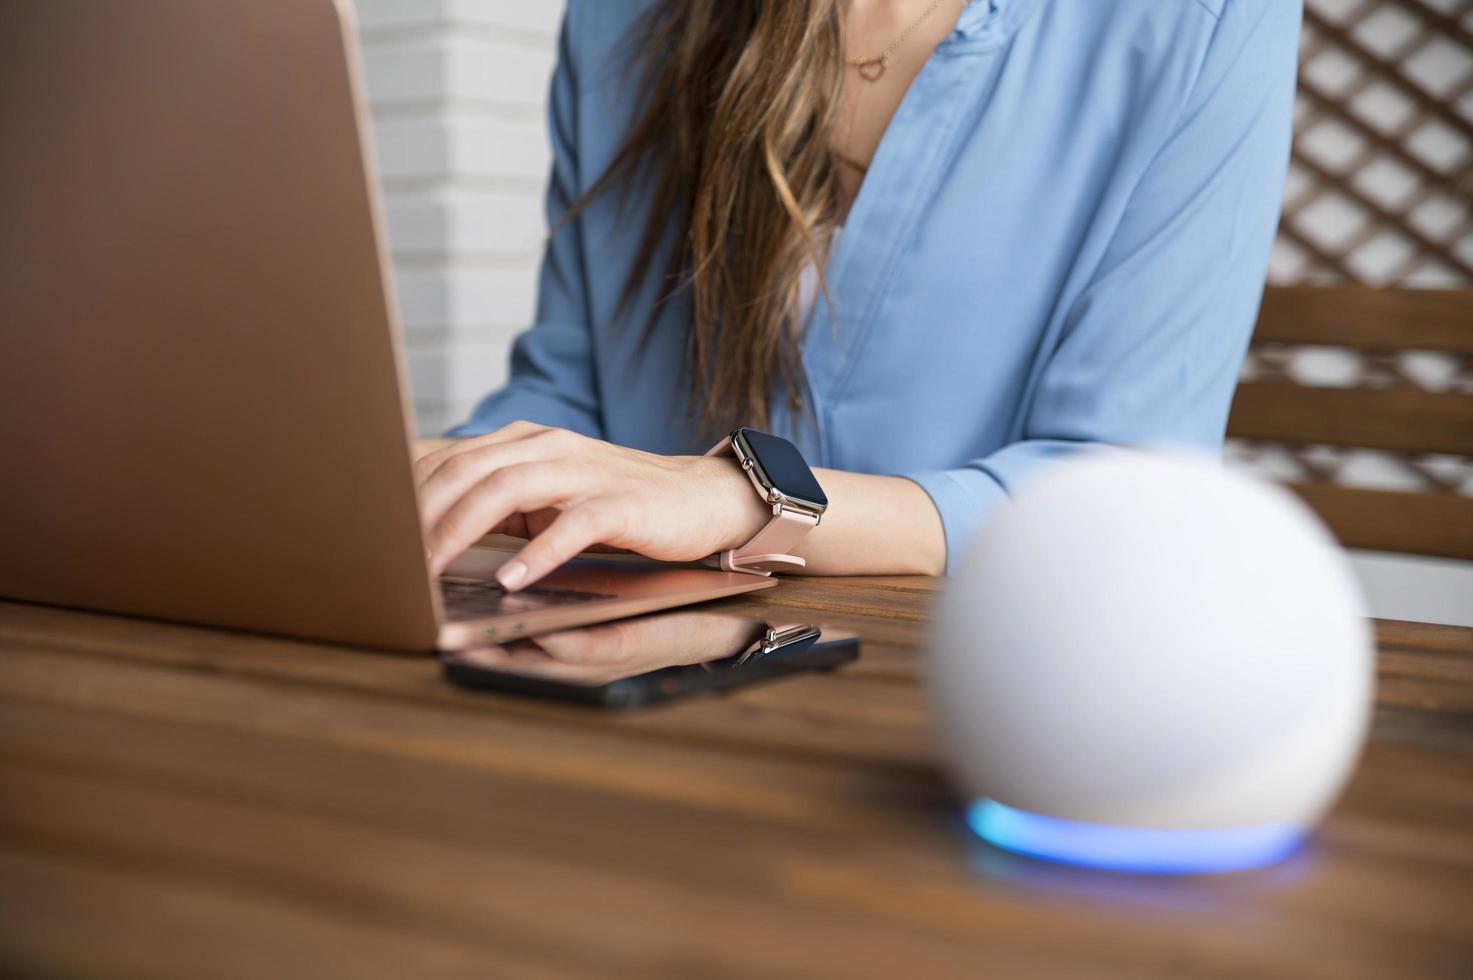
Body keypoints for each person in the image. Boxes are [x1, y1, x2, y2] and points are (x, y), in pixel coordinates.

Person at [412, 0, 1301, 591]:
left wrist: (746, 499)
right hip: (638, 674)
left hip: (988, 696)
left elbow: (1121, 495)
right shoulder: (619, 18)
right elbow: (574, 387)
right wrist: (432, 477)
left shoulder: (1201, 19)